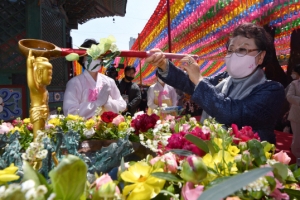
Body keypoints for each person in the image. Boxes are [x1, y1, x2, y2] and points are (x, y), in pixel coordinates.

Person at [145, 23, 285, 144]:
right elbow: (191, 84)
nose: (234, 54)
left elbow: (231, 113)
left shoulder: (272, 90)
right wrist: (164, 64)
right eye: (231, 50)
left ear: (260, 56)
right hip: (212, 159)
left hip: (248, 167)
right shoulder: (223, 78)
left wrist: (198, 78)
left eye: (242, 49)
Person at [63, 39, 126, 119]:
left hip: (107, 128)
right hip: (83, 130)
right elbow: (69, 112)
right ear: (82, 59)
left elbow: (122, 105)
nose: (95, 59)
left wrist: (107, 102)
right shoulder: (74, 83)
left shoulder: (109, 82)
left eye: (98, 56)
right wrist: (98, 103)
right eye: (90, 57)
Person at [27, 50, 53, 138]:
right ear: (40, 73)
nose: (50, 77)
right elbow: (31, 82)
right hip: (37, 114)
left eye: (51, 75)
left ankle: (43, 148)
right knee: (38, 136)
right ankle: (37, 149)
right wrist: (30, 67)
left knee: (43, 133)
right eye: (49, 74)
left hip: (44, 112)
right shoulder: (36, 89)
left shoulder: (44, 89)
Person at [287, 64, 300, 158]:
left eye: (294, 72)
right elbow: (289, 96)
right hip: (296, 116)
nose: (293, 74)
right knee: (297, 139)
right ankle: (297, 158)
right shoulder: (294, 84)